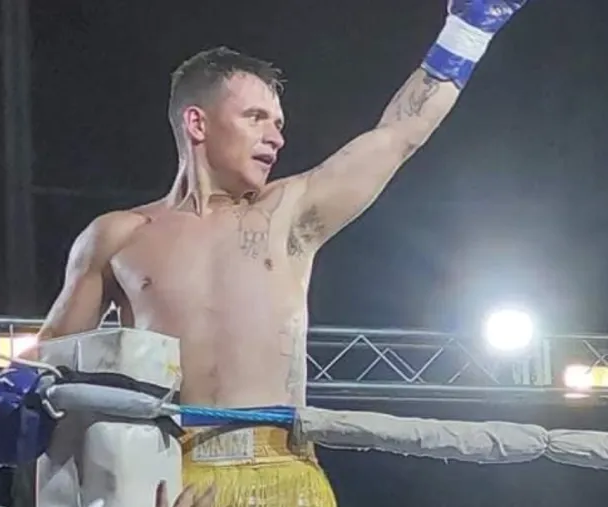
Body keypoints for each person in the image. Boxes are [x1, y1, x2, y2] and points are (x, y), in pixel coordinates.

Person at [36, 1, 529, 505]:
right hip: (171, 480)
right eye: (256, 118)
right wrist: (18, 402)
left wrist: (467, 30)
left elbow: (398, 135)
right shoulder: (117, 236)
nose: (276, 137)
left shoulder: (288, 212)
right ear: (197, 123)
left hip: (283, 473)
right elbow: (48, 365)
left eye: (278, 123)